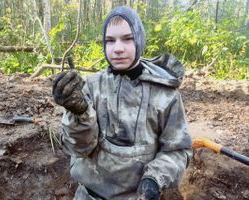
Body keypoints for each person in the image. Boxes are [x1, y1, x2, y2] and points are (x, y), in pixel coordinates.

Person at [52, 6, 192, 200]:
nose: (118, 48)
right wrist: (79, 113)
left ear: (140, 39)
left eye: (127, 38)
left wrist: (154, 179)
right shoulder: (90, 87)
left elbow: (178, 150)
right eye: (110, 40)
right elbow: (80, 149)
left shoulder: (165, 94)